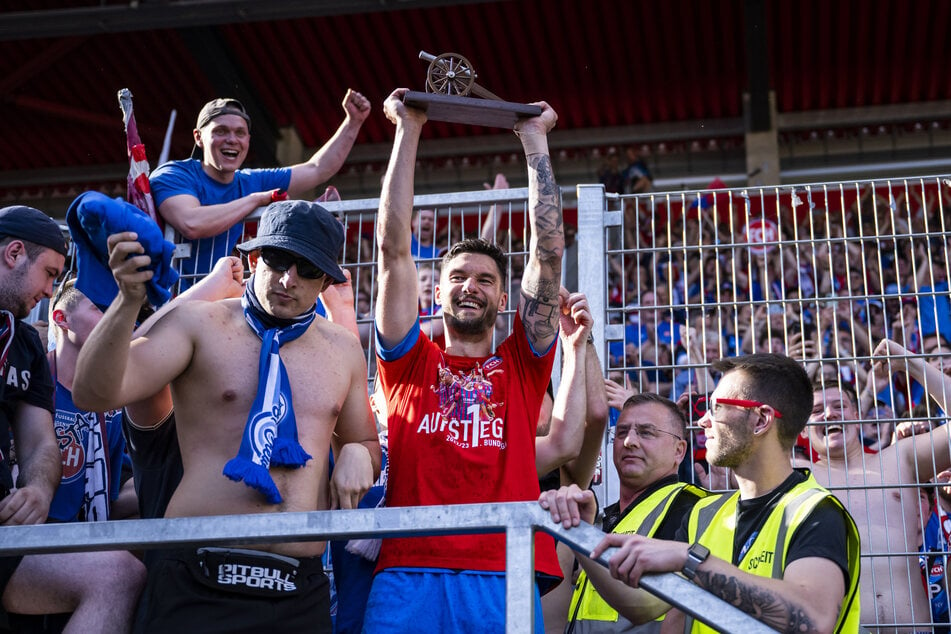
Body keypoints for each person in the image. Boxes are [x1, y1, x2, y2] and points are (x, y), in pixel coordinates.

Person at [72, 200, 381, 633]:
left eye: (308, 269)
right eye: (278, 259)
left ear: (327, 279)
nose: (289, 279)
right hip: (197, 575)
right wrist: (127, 304)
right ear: (254, 257)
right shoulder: (199, 323)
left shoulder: (343, 348)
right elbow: (93, 393)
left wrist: (360, 454)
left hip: (297, 587)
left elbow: (365, 442)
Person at [365, 87, 564, 632]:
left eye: (485, 280)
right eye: (456, 278)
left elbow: (547, 255)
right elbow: (392, 250)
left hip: (501, 570)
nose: (468, 288)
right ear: (437, 295)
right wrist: (408, 129)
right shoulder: (408, 363)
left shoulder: (523, 362)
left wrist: (535, 146)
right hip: (407, 570)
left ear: (505, 299)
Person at [589, 353, 861, 633]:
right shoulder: (702, 514)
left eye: (716, 408)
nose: (703, 420)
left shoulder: (816, 512)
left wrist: (690, 559)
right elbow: (643, 606)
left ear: (761, 420)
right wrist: (580, 531)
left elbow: (813, 618)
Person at [0, 205, 145, 632]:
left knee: (121, 573)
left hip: (9, 532)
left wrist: (40, 491)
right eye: (49, 273)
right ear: (14, 253)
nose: (50, 291)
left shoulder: (24, 342)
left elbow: (41, 444)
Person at [150, 91, 371, 287]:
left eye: (240, 133)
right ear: (198, 137)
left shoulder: (250, 180)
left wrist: (353, 122)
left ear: (248, 139)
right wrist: (256, 200)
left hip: (218, 299)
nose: (232, 140)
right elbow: (192, 223)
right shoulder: (174, 174)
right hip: (168, 298)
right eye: (221, 131)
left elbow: (317, 169)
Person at [806, 337, 951, 631]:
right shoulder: (798, 475)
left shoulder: (901, 457)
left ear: (858, 416)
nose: (830, 414)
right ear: (802, 428)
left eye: (839, 406)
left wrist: (910, 362)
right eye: (817, 411)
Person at [540, 392, 707, 633]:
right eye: (621, 432)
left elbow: (647, 606)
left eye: (646, 432)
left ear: (679, 450)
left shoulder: (692, 508)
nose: (629, 441)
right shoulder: (606, 518)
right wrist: (576, 531)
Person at [47, 278, 128, 522]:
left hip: (77, 536)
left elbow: (107, 498)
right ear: (62, 319)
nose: (113, 319)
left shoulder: (114, 405)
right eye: (99, 308)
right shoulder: (26, 383)